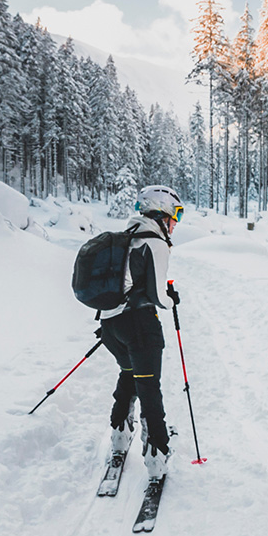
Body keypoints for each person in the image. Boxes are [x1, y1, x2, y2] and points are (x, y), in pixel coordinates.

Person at [98, 184, 184, 483]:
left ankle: (120, 437)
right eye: (175, 215)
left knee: (128, 376)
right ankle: (157, 457)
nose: (175, 223)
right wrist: (174, 298)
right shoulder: (156, 243)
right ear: (160, 212)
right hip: (139, 328)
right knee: (149, 389)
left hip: (110, 326)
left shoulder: (127, 236)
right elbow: (159, 296)